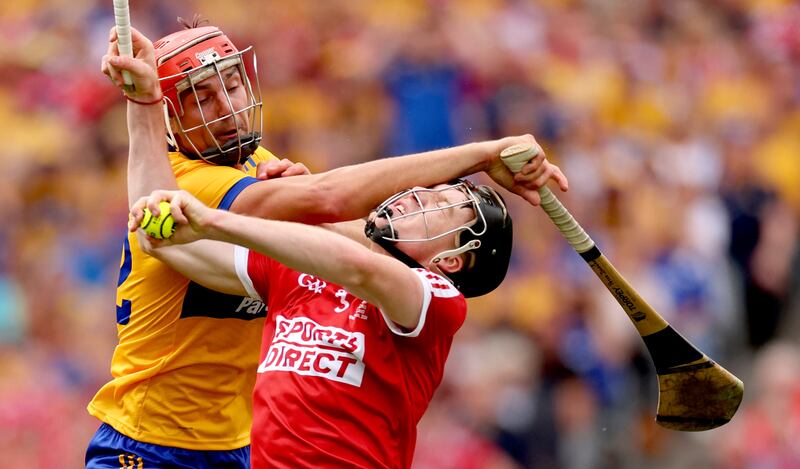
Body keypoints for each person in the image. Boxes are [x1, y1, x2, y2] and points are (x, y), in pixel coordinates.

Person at [88, 16, 568, 468]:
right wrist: (482, 155)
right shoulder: (188, 181)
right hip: (151, 441)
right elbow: (326, 201)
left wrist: (271, 215)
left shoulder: (428, 295)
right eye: (202, 98)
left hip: (234, 447)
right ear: (171, 120)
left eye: (231, 85)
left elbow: (345, 236)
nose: (228, 107)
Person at [127, 177, 515, 468]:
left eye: (440, 206)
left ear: (451, 261)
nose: (419, 197)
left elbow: (361, 268)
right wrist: (144, 109)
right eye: (430, 191)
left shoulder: (439, 299)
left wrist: (216, 221)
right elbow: (162, 239)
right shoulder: (300, 269)